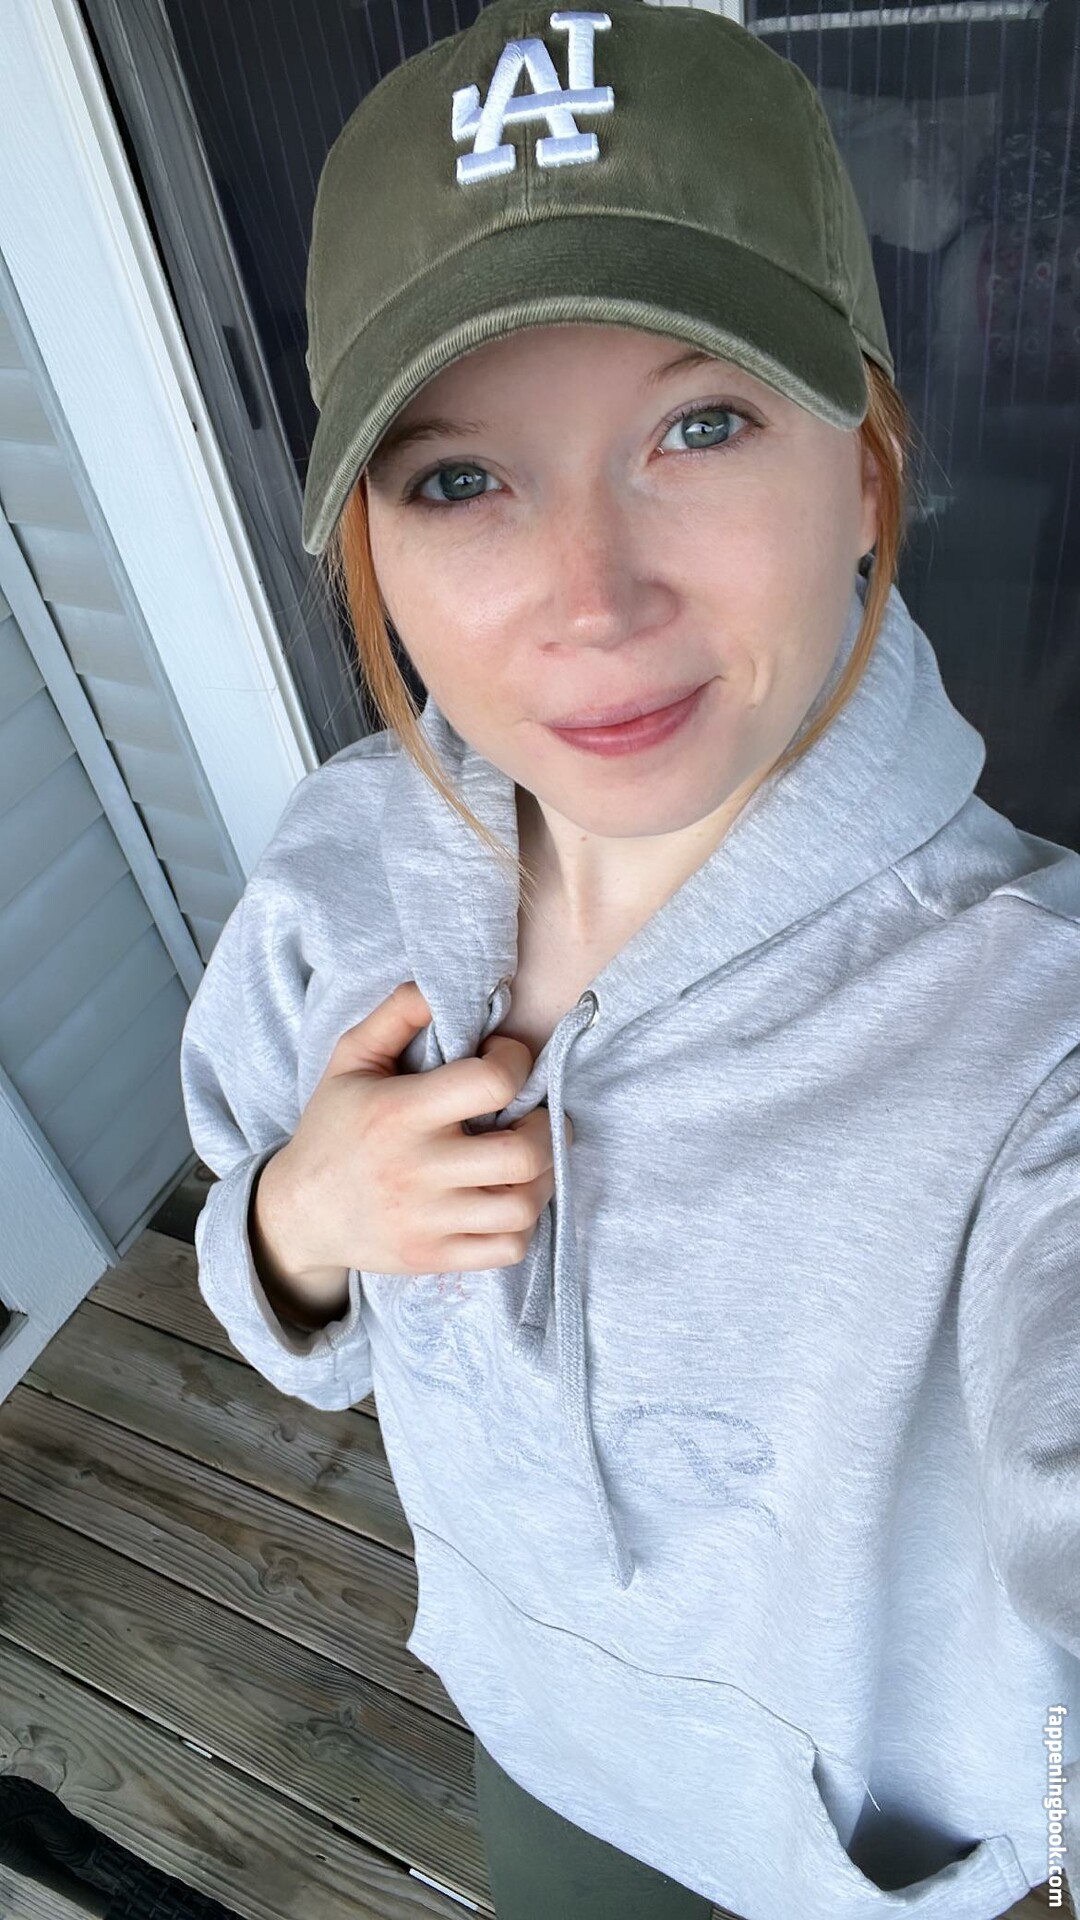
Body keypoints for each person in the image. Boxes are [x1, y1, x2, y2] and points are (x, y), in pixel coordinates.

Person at [178, 3, 1080, 1916]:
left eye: (699, 426)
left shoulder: (1031, 1029)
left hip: (855, 1866)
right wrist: (297, 1219)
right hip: (532, 1732)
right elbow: (266, 1283)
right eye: (459, 481)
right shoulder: (339, 875)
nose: (593, 599)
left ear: (867, 460)